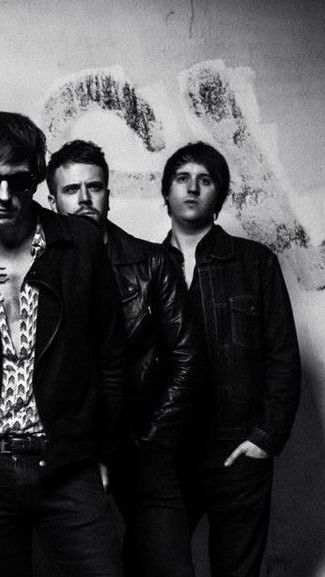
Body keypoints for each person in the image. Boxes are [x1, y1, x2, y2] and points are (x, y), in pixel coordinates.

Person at [0, 112, 126, 577]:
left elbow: (112, 359)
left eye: (19, 181)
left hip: (68, 464)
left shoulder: (80, 245)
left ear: (36, 178)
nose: (4, 196)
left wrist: (104, 455)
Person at [47, 139, 201, 577]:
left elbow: (188, 359)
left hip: (140, 443)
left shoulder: (151, 262)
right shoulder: (35, 268)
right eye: (70, 189)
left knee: (169, 566)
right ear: (52, 201)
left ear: (108, 196)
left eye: (94, 187)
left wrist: (151, 440)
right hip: (69, 453)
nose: (84, 199)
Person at [162, 141, 301, 577]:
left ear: (219, 195)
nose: (192, 189)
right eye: (182, 178)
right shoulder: (144, 264)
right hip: (168, 455)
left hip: (238, 452)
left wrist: (265, 438)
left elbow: (283, 356)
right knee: (155, 564)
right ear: (166, 191)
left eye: (204, 180)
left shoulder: (254, 262)